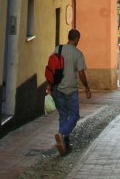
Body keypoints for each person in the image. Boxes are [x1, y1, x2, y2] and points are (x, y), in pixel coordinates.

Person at [46, 28, 91, 156]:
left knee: (63, 115)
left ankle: (64, 143)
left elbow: (52, 67)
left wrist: (49, 84)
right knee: (74, 115)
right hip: (71, 89)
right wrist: (87, 88)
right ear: (77, 39)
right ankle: (62, 134)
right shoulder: (78, 54)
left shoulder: (58, 49)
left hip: (57, 88)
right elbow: (81, 73)